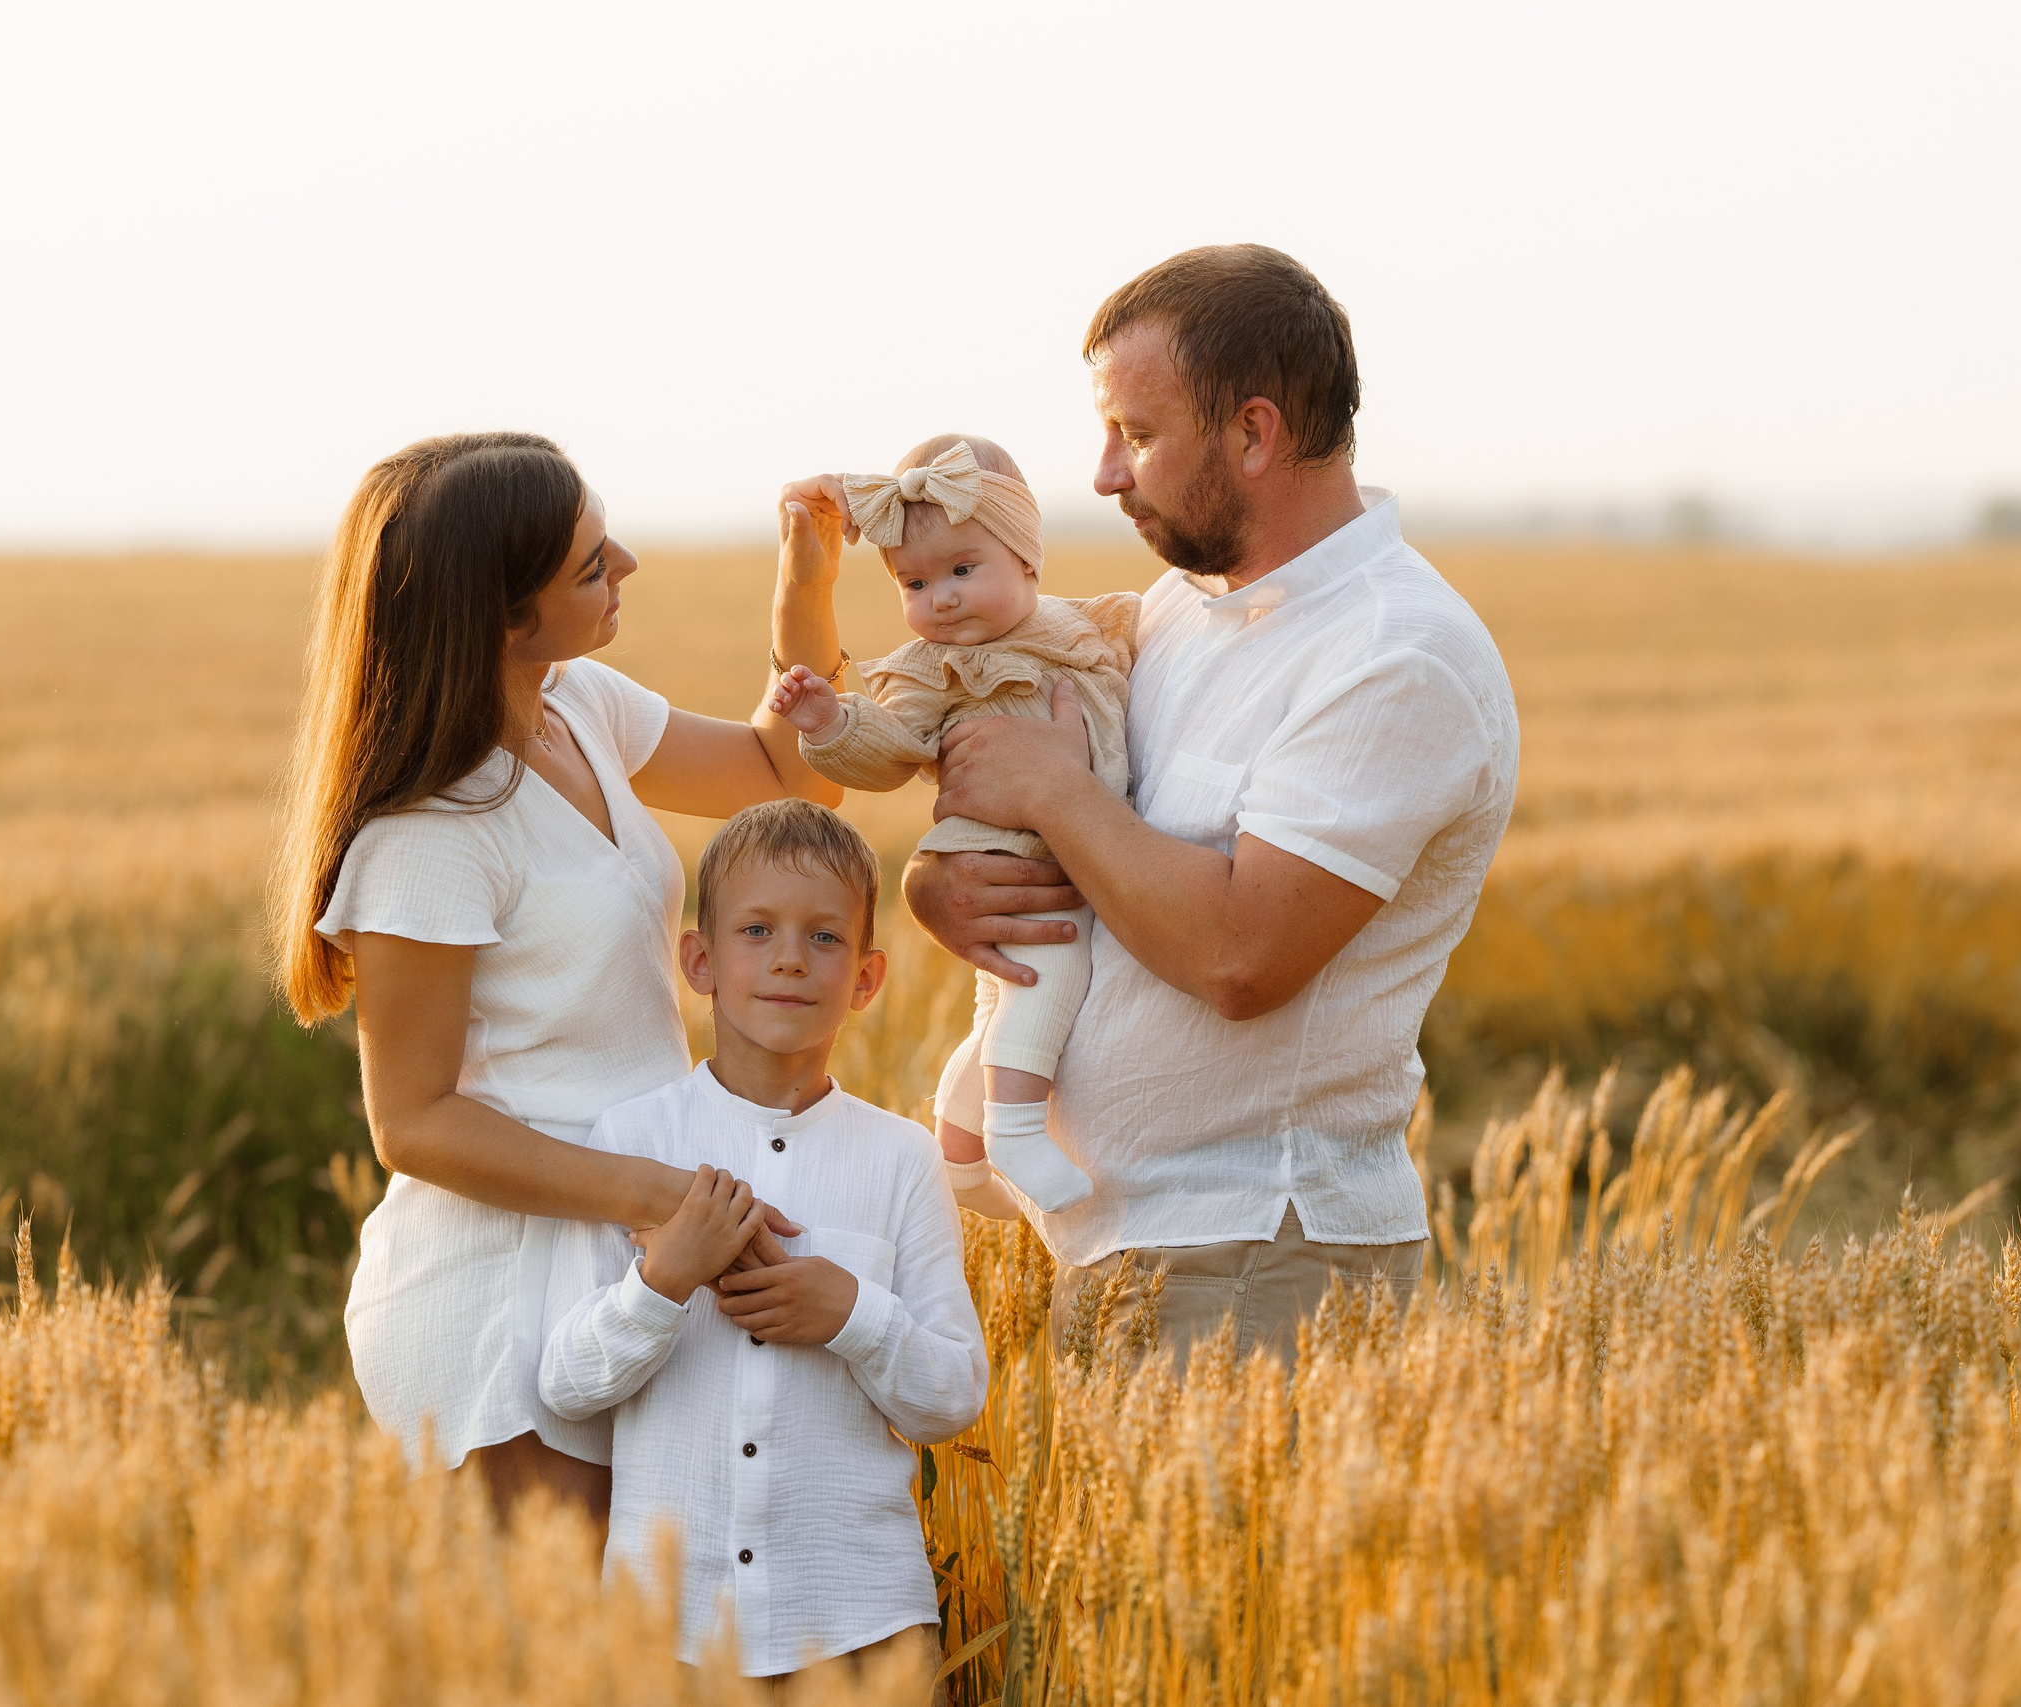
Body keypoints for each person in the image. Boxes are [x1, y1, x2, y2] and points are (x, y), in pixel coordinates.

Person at [805, 245, 1521, 1374]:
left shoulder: (1394, 656)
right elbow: (1095, 846)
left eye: (1135, 436)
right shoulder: (1180, 613)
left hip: (1252, 1254)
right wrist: (948, 887)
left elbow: (1242, 952)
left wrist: (1048, 787)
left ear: (1252, 432)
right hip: (1132, 1241)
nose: (1100, 476)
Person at [270, 431, 849, 1519]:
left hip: (637, 1255)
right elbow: (415, 1123)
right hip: (502, 1291)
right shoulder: (429, 835)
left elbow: (787, 777)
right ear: (501, 614)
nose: (624, 561)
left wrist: (805, 584)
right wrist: (670, 1197)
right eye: (590, 563)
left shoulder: (576, 705)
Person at [540, 800, 986, 1692]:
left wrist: (854, 1315)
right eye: (757, 929)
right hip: (669, 1632)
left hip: (863, 1628)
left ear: (866, 977)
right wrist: (662, 1280)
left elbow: (954, 1394)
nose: (790, 957)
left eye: (825, 937)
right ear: (699, 961)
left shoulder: (903, 1159)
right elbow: (565, 1379)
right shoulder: (631, 1140)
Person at [767, 433, 1137, 1220]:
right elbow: (890, 750)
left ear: (1028, 559)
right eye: (915, 580)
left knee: (1005, 1009)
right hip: (1002, 855)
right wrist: (831, 720)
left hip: (1074, 844)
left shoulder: (1087, 626)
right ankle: (1015, 1132)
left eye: (962, 570)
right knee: (1053, 974)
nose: (939, 598)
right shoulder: (934, 671)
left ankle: (958, 1153)